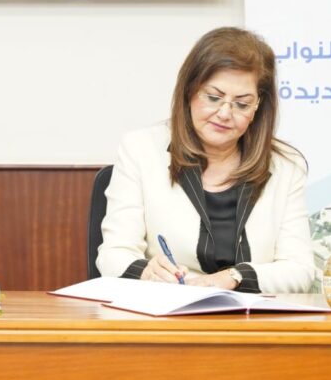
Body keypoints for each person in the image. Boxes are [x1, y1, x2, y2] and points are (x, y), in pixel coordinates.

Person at [96, 27, 315, 293]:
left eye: (242, 104)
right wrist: (147, 271)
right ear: (190, 90)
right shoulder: (141, 149)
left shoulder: (286, 166)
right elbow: (113, 254)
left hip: (253, 315)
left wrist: (235, 277)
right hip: (169, 309)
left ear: (258, 106)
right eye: (213, 97)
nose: (225, 113)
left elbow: (300, 269)